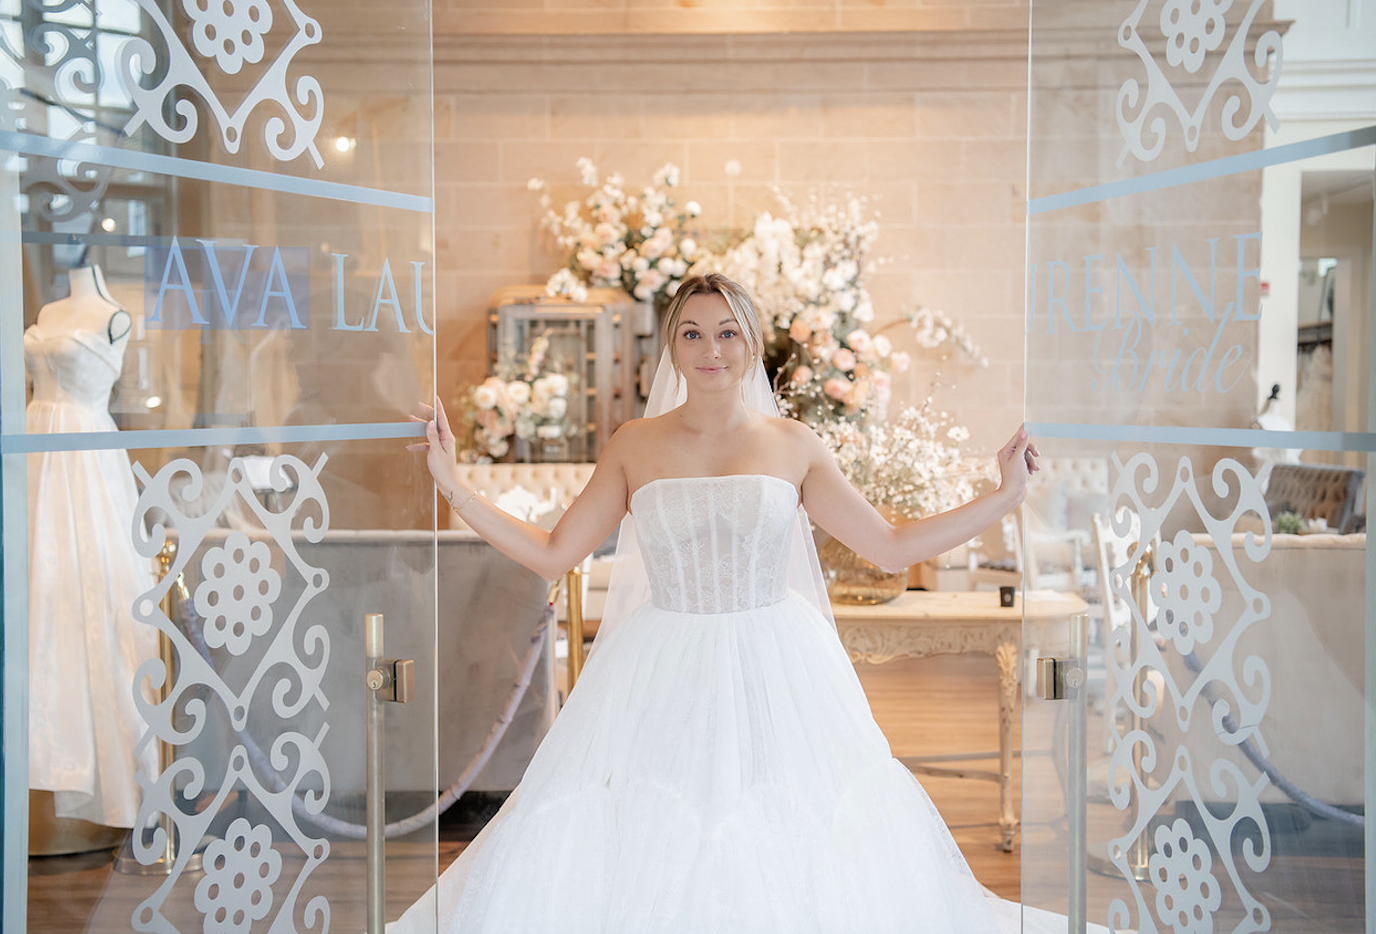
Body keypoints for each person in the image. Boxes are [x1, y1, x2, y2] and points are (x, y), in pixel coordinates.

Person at [402, 272, 1042, 933]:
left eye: (728, 332)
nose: (712, 349)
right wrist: (454, 486)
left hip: (776, 663)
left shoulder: (793, 444)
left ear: (752, 344)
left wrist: (1003, 497)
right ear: (673, 349)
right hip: (660, 663)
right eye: (693, 333)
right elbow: (553, 553)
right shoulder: (634, 445)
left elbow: (890, 546)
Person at [26, 265, 157, 833]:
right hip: (29, 458)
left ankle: (112, 774)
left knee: (91, 600)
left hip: (84, 466)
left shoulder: (115, 316)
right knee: (33, 600)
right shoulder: (50, 313)